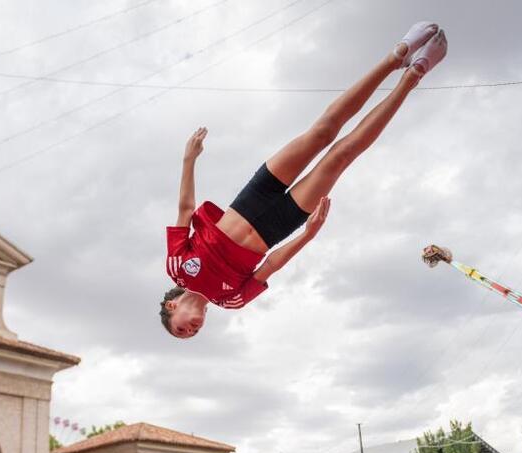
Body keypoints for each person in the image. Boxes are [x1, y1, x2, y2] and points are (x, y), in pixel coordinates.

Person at [159, 22, 449, 337]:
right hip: (280, 225)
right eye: (191, 334)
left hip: (250, 200)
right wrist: (308, 236)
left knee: (322, 132)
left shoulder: (177, 269)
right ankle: (413, 75)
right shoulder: (230, 300)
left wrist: (189, 159)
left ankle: (396, 57)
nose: (190, 330)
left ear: (172, 308)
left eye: (180, 329)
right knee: (341, 157)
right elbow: (271, 265)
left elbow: (186, 209)